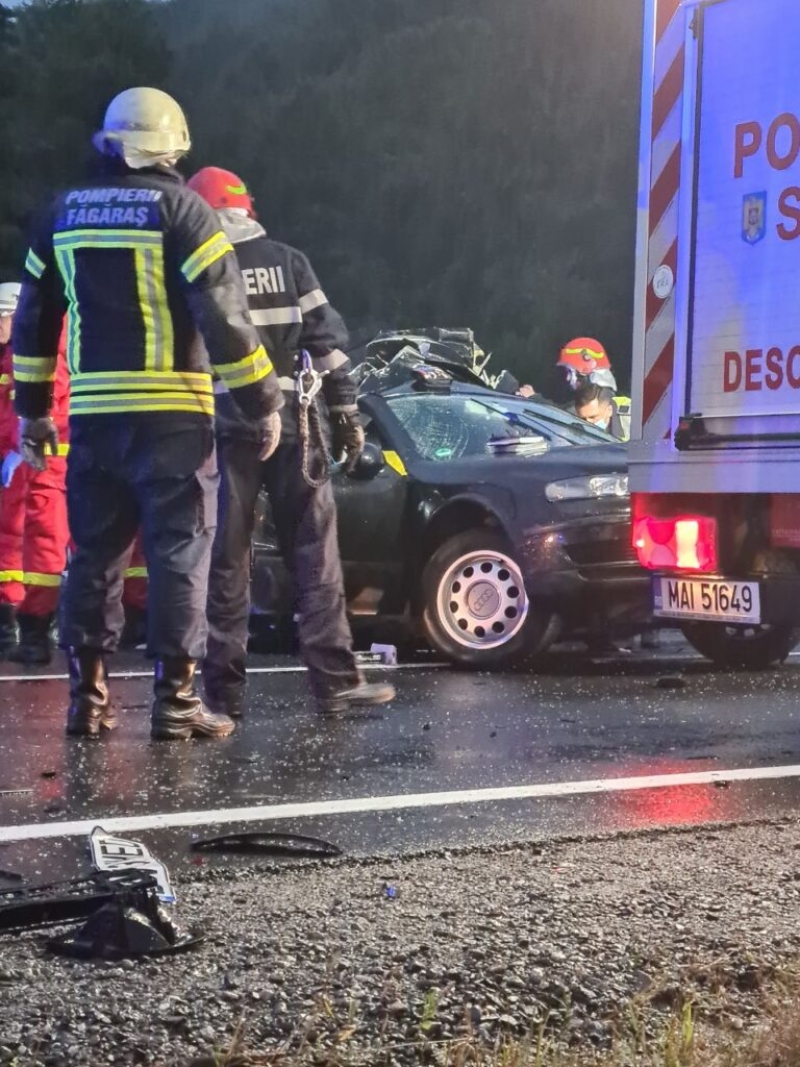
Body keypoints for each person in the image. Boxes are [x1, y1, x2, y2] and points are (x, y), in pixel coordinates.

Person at [12, 88, 284, 740]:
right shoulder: (187, 212)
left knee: (92, 557)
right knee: (178, 556)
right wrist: (263, 402)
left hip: (95, 420)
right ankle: (176, 702)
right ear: (174, 147)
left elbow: (33, 320)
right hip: (175, 420)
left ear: (111, 143)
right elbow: (226, 321)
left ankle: (87, 698)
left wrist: (31, 412)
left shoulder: (60, 215)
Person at [187, 166, 395, 717]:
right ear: (247, 209)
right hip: (294, 423)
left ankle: (221, 695)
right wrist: (346, 415)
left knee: (226, 561)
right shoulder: (288, 261)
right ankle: (336, 684)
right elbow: (327, 346)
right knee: (314, 555)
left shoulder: (196, 264)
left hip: (220, 425)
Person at [0, 318, 71, 664]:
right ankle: (24, 627)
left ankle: (35, 631)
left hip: (43, 459)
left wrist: (17, 448)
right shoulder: (20, 354)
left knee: (42, 540)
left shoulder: (40, 354)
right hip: (33, 457)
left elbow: (41, 407)